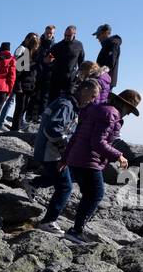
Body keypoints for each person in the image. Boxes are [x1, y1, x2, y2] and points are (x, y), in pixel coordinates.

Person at [46, 89, 139, 243]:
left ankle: (75, 229)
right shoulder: (111, 114)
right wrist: (119, 155)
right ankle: (76, 231)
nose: (128, 114)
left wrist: (65, 158)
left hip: (77, 158)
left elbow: (77, 134)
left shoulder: (97, 109)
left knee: (89, 194)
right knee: (95, 194)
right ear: (124, 105)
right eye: (129, 110)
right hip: (88, 160)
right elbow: (98, 142)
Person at [30, 81, 99, 226]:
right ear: (83, 90)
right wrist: (64, 150)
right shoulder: (66, 105)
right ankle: (48, 221)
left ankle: (32, 183)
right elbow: (53, 129)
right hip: (50, 153)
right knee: (65, 186)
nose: (93, 100)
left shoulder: (69, 104)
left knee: (64, 176)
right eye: (92, 96)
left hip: (49, 151)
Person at [10, 33, 40, 132]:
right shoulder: (25, 55)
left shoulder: (34, 57)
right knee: (20, 108)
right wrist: (18, 86)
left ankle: (17, 126)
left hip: (29, 86)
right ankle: (15, 128)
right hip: (22, 86)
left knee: (23, 108)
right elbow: (18, 72)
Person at [29, 24, 56, 122]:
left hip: (48, 73)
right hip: (36, 71)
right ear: (45, 32)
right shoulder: (39, 42)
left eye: (51, 33)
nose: (49, 35)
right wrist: (42, 60)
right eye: (48, 33)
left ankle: (41, 115)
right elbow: (33, 56)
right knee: (33, 94)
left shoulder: (55, 45)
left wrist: (52, 61)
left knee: (45, 96)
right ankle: (30, 115)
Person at [47, 25, 84, 99]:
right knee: (52, 102)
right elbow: (48, 59)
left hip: (70, 80)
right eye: (65, 35)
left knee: (67, 101)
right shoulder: (57, 46)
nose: (66, 37)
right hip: (56, 80)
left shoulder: (79, 45)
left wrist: (80, 76)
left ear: (74, 34)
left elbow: (81, 62)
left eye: (69, 35)